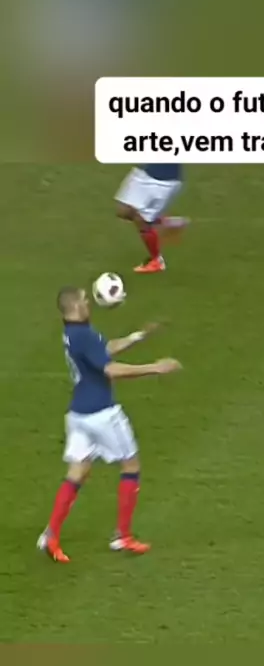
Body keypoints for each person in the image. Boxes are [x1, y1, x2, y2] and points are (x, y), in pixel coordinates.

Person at [37, 285, 182, 563]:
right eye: (85, 300)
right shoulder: (84, 335)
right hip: (102, 414)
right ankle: (122, 536)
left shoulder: (73, 333)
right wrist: (155, 367)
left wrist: (138, 336)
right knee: (131, 465)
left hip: (78, 414)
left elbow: (104, 350)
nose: (89, 303)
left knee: (77, 472)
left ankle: (51, 535)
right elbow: (110, 369)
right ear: (75, 306)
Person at [115, 163, 189, 273]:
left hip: (164, 181)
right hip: (144, 173)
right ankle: (165, 223)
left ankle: (156, 261)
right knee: (124, 211)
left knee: (142, 221)